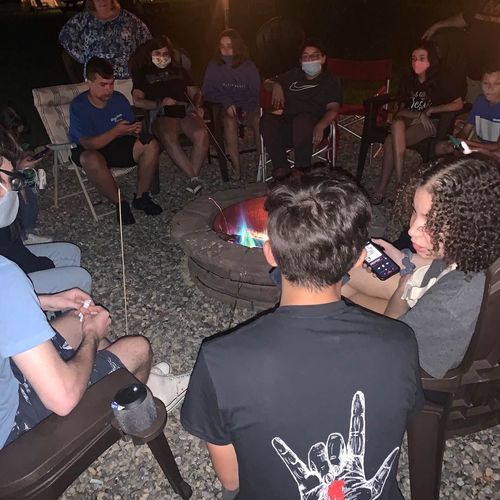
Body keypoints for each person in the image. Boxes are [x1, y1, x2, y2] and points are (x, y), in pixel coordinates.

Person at [181, 173, 424, 500]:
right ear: (358, 259)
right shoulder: (401, 342)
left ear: (270, 254)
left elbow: (231, 479)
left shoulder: (219, 359)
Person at [0, 159, 190, 450]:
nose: (16, 187)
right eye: (12, 180)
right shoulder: (6, 275)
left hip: (8, 373)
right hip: (12, 430)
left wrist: (46, 300)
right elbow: (62, 399)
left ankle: (133, 382)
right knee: (137, 347)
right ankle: (138, 416)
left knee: (77, 318)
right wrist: (91, 334)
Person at [343, 155, 500, 378]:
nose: (411, 230)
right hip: (427, 298)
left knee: (338, 297)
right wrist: (404, 258)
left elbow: (395, 347)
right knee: (343, 281)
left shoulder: (453, 301)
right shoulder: (479, 244)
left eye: (431, 222)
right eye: (415, 212)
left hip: (410, 352)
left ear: (467, 224)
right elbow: (446, 268)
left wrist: (400, 293)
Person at [69, 57, 162, 225]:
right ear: (89, 82)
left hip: (117, 142)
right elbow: (89, 144)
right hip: (90, 148)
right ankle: (120, 203)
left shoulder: (118, 99)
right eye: (103, 84)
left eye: (111, 83)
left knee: (151, 144)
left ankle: (141, 197)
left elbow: (130, 125)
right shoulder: (79, 106)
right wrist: (115, 131)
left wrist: (135, 129)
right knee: (90, 158)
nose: (109, 89)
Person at [371, 40, 463, 204]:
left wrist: (431, 110)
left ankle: (383, 188)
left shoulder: (441, 80)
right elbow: (400, 111)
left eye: (422, 58)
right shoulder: (408, 80)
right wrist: (418, 115)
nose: (416, 62)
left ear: (430, 60)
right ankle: (400, 183)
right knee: (397, 124)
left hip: (430, 123)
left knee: (390, 140)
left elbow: (458, 104)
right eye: (413, 58)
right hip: (410, 119)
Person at [0, 132, 91, 294]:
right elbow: (15, 267)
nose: (15, 184)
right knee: (80, 278)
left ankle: (56, 306)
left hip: (14, 262)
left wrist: (20, 176)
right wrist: (46, 266)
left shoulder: (6, 205)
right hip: (8, 284)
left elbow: (19, 237)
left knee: (70, 252)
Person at [130, 36, 208, 194]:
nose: (162, 57)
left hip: (184, 110)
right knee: (169, 136)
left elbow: (196, 92)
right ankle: (193, 177)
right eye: (157, 53)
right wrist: (159, 103)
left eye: (165, 53)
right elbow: (137, 101)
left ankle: (193, 179)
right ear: (150, 54)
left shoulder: (179, 70)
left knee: (202, 133)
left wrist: (198, 106)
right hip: (162, 112)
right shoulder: (142, 73)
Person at [260, 37, 341, 180]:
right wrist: (276, 86)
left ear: (323, 59)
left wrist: (321, 125)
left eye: (315, 55)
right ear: (300, 61)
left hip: (314, 126)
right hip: (288, 126)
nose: (310, 59)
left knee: (302, 120)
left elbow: (333, 108)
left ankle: (301, 171)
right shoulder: (293, 75)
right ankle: (281, 168)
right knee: (267, 120)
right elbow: (267, 82)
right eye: (306, 56)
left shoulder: (329, 80)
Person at [202, 29, 261, 180]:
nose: (226, 50)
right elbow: (207, 91)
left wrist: (247, 107)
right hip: (226, 106)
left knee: (258, 120)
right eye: (222, 46)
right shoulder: (214, 65)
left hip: (247, 105)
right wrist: (226, 101)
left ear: (237, 46)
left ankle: (261, 162)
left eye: (229, 46)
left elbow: (255, 91)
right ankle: (236, 167)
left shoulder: (248, 66)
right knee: (229, 122)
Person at [422, 1, 500, 102]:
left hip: (497, 76)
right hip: (474, 74)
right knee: (475, 107)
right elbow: (465, 17)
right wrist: (437, 26)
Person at [59, 0, 151, 80]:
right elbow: (65, 36)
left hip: (126, 78)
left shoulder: (129, 19)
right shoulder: (83, 19)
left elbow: (148, 42)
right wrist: (83, 57)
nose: (102, 1)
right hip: (97, 79)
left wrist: (135, 62)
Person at [436, 67, 500, 157]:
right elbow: (466, 130)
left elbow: (496, 146)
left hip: (495, 151)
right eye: (486, 83)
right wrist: (458, 141)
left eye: (497, 83)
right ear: (481, 83)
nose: (490, 88)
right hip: (479, 146)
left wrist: (469, 144)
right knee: (441, 147)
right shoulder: (480, 101)